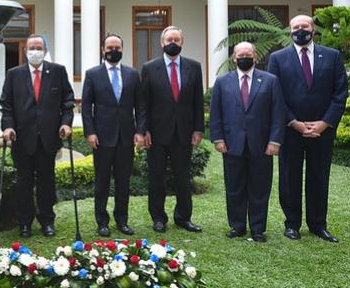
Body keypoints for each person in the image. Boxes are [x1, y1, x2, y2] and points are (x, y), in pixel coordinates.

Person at [268, 14, 348, 243]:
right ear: (289, 31)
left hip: (322, 130)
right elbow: (275, 95)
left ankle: (318, 225)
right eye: (295, 27)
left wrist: (324, 123)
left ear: (313, 30)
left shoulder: (332, 56)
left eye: (305, 26)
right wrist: (294, 122)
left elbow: (340, 92)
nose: (300, 30)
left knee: (319, 176)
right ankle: (292, 224)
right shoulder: (278, 58)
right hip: (291, 129)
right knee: (289, 176)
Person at [209, 42, 286, 242]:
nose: (245, 57)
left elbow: (278, 114)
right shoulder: (222, 82)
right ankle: (237, 225)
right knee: (234, 187)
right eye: (240, 54)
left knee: (260, 188)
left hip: (261, 145)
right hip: (231, 144)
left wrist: (275, 141)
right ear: (234, 58)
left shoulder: (270, 81)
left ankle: (258, 228)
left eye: (248, 54)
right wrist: (218, 138)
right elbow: (215, 113)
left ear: (256, 57)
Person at [0, 34, 74, 238]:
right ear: (25, 51)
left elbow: (68, 102)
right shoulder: (14, 74)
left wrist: (66, 124)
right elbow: (6, 105)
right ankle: (24, 223)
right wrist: (8, 127)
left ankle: (47, 221)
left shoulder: (57, 71)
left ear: (45, 50)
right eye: (31, 47)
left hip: (48, 139)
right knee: (23, 183)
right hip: (22, 139)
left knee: (46, 182)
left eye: (38, 47)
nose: (35, 51)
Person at [140, 25, 205, 233]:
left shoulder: (194, 67)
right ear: (162, 43)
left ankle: (183, 217)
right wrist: (144, 130)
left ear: (182, 42)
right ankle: (158, 218)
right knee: (157, 177)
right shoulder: (149, 68)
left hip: (183, 133)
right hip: (157, 134)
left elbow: (197, 101)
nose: (172, 43)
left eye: (176, 40)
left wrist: (198, 129)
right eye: (169, 40)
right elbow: (144, 103)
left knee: (183, 178)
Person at [81, 33, 144, 237]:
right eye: (110, 47)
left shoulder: (132, 74)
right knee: (102, 182)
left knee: (123, 182)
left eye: (117, 47)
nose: (113, 50)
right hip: (102, 137)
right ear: (103, 49)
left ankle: (122, 220)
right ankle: (102, 221)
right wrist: (89, 132)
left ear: (122, 49)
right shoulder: (92, 74)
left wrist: (140, 131)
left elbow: (140, 106)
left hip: (126, 136)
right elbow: (86, 107)